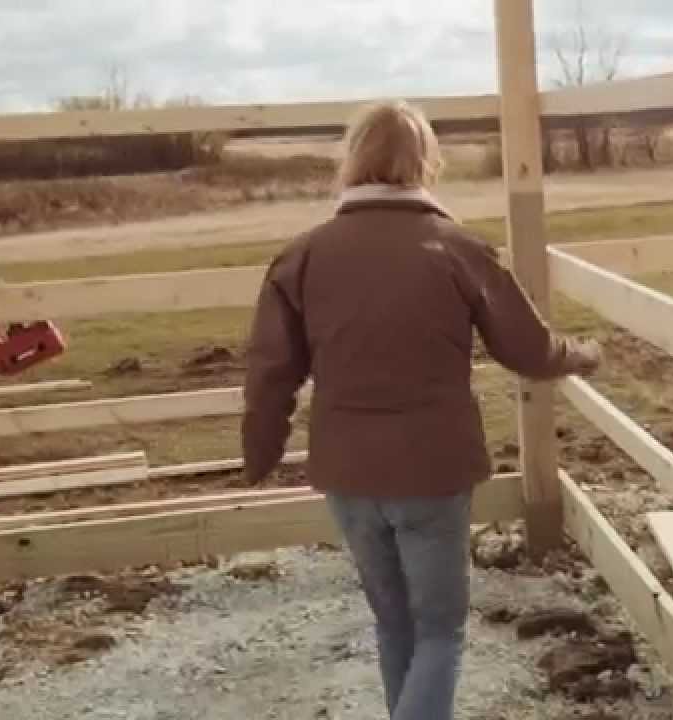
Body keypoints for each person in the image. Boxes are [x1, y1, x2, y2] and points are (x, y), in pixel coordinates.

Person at [240, 100, 601, 720]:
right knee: (440, 631)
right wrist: (582, 354)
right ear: (425, 162)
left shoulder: (302, 257)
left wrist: (261, 452)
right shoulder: (457, 248)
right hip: (433, 472)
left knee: (394, 625)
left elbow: (271, 371)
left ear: (351, 162)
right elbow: (528, 348)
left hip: (348, 474)